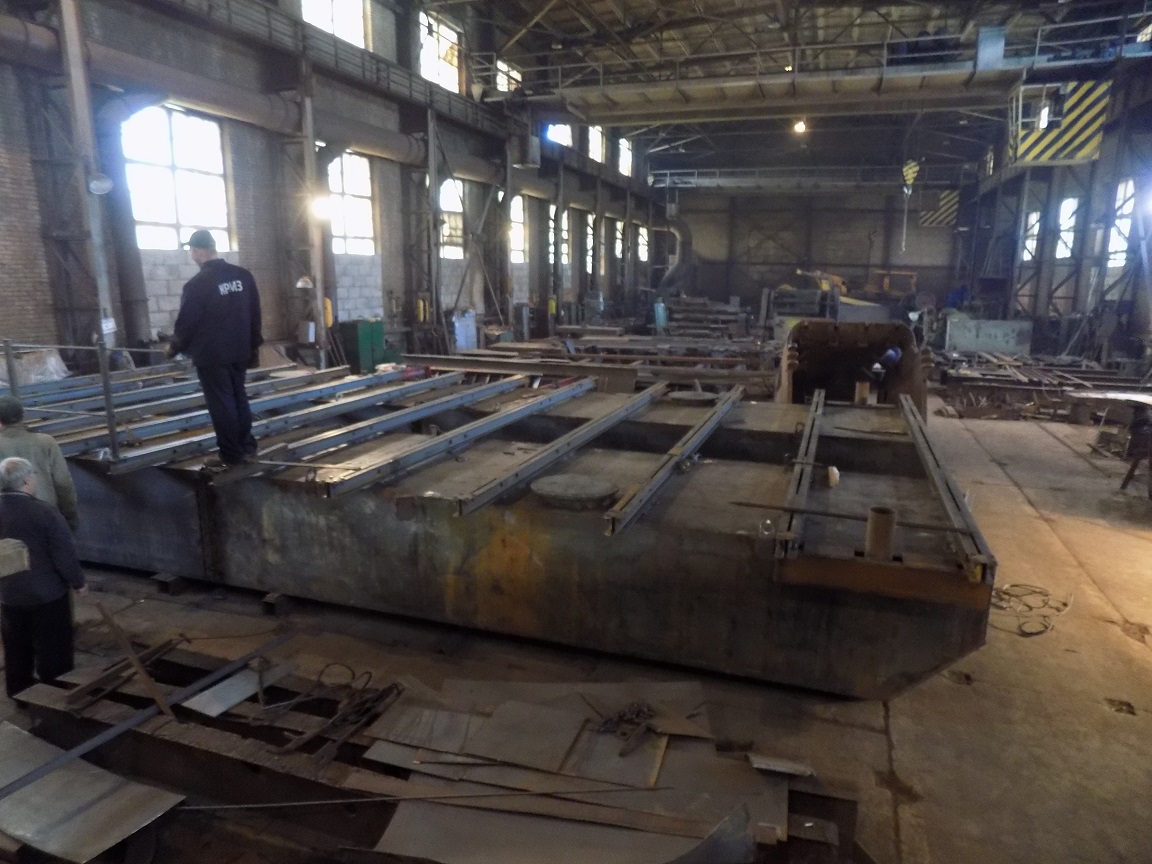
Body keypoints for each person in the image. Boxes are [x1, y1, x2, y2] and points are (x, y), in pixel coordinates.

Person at [169, 230, 263, 467]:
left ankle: (231, 455)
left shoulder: (197, 285)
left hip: (212, 355)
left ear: (198, 251)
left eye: (192, 251)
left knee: (222, 404)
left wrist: (174, 347)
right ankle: (247, 447)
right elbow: (255, 314)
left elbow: (186, 323)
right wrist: (254, 345)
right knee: (239, 397)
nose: (192, 255)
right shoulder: (243, 276)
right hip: (240, 351)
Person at [0, 457, 86, 700]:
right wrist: (78, 582)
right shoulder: (45, 512)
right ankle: (54, 695)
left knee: (16, 647)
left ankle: (20, 693)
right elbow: (63, 553)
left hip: (9, 594)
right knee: (54, 647)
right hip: (47, 594)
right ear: (27, 481)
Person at [0, 396, 79, 531]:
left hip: (7, 522)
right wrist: (70, 516)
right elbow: (63, 483)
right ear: (23, 415)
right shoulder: (46, 442)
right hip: (47, 516)